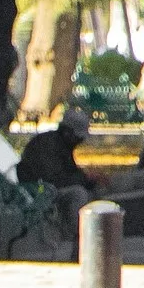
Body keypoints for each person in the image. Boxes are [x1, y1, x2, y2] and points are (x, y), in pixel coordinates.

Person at [18, 106, 102, 249]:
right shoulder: (47, 146)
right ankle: (80, 235)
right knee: (78, 194)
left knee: (96, 192)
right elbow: (56, 180)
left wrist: (90, 179)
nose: (80, 141)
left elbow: (70, 173)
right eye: (78, 137)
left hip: (50, 187)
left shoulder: (62, 145)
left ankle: (96, 231)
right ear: (68, 132)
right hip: (41, 190)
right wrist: (86, 179)